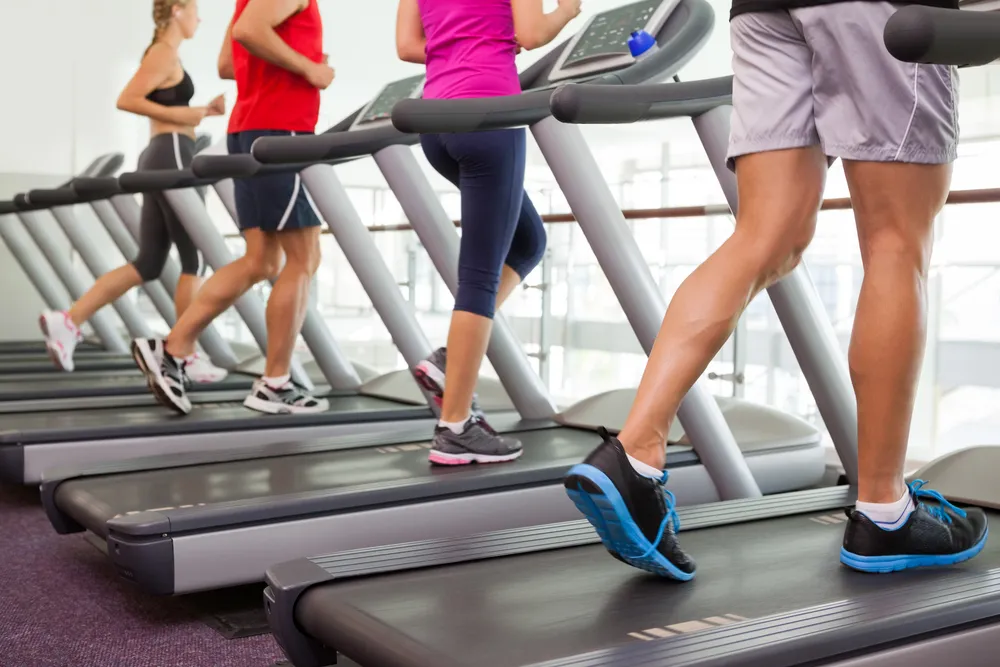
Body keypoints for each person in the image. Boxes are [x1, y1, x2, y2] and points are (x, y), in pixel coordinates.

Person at [565, 0, 988, 580]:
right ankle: (885, 510)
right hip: (877, 9)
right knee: (896, 244)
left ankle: (635, 452)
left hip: (763, 10)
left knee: (764, 237)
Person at [395, 0, 581, 465]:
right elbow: (533, 34)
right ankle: (455, 427)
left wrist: (464, 43)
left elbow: (408, 46)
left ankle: (448, 360)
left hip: (435, 122)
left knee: (529, 241)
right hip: (488, 114)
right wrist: (568, 11)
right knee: (479, 276)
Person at [133, 0, 335, 415]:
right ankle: (275, 383)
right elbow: (248, 33)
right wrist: (309, 68)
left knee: (262, 260)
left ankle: (173, 348)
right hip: (281, 128)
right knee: (304, 258)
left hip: (248, 128)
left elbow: (228, 64)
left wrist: (293, 61)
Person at [40, 0, 227, 384]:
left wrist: (202, 112)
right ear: (177, 11)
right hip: (171, 153)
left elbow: (156, 102)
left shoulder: (163, 53)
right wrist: (190, 115)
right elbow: (127, 99)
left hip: (158, 154)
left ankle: (69, 321)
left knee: (149, 262)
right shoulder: (163, 52)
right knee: (195, 259)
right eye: (194, 9)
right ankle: (185, 353)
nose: (199, 17)